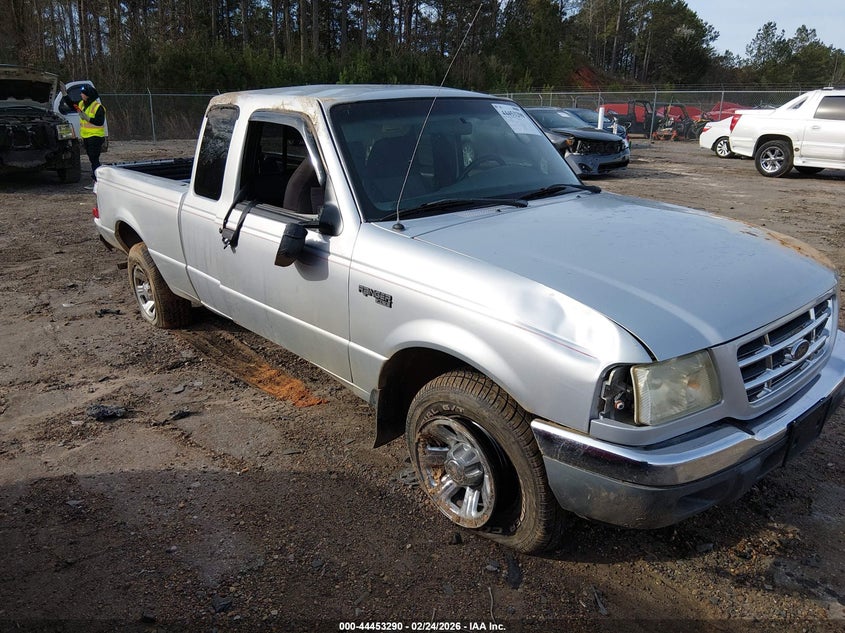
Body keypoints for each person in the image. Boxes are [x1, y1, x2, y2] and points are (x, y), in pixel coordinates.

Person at [65, 84, 107, 185]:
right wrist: (65, 95)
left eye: (83, 94)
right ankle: (96, 179)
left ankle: (97, 180)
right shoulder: (81, 104)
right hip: (87, 136)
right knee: (92, 159)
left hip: (96, 137)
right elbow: (72, 105)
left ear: (88, 95)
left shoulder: (98, 107)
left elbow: (99, 122)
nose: (81, 95)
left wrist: (88, 118)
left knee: (94, 159)